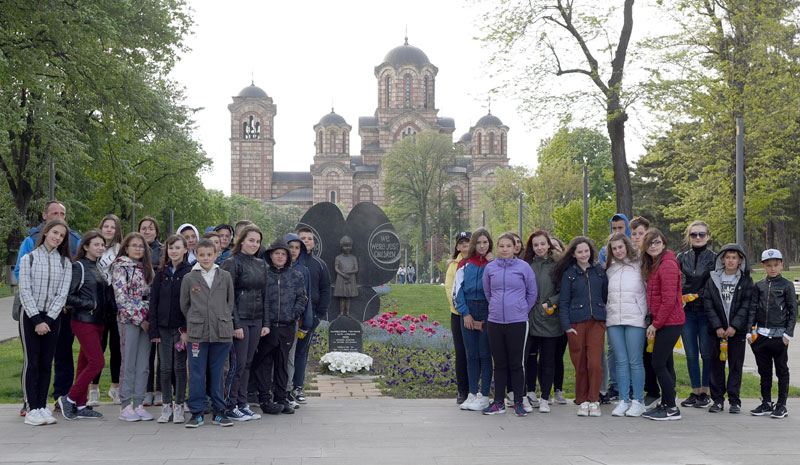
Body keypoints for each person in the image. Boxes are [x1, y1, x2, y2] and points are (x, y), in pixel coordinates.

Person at [14, 202, 81, 417]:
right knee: (32, 362)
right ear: (46, 231)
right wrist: (37, 320)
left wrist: (49, 320)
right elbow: (25, 290)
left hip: (53, 317)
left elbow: (62, 294)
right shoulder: (30, 257)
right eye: (54, 233)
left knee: (46, 362)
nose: (57, 237)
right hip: (31, 315)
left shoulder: (65, 262)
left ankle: (42, 406)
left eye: (62, 235)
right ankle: (30, 406)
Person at [181, 239, 236, 428]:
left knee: (218, 373)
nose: (205, 258)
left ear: (216, 255)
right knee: (196, 373)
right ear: (196, 255)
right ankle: (197, 412)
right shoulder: (189, 278)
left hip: (221, 332)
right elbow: (184, 305)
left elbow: (229, 303)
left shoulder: (225, 276)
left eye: (209, 254)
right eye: (202, 254)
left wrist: (221, 317)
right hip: (198, 332)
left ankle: (219, 411)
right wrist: (196, 319)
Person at [481, 233, 538, 416]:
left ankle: (519, 402)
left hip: (518, 322)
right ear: (497, 248)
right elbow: (488, 292)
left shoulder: (524, 267)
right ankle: (498, 402)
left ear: (515, 248)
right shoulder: (490, 268)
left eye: (508, 246)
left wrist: (521, 309)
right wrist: (495, 307)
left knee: (516, 364)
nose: (504, 249)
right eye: (501, 246)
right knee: (499, 363)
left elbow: (532, 293)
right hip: (495, 322)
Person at [221, 225, 274, 419]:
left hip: (256, 319)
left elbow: (265, 295)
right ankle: (230, 405)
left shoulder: (261, 265)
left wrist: (266, 323)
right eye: (251, 240)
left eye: (258, 241)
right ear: (241, 240)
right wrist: (235, 324)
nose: (255, 244)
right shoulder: (231, 262)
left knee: (248, 363)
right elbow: (228, 297)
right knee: (238, 364)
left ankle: (242, 404)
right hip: (240, 320)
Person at [554, 236, 608, 417]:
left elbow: (605, 295)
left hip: (596, 322)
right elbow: (563, 302)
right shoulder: (569, 274)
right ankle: (582, 400)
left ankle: (594, 400)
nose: (584, 254)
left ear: (591, 252)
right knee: (580, 364)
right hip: (576, 323)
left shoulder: (600, 271)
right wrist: (567, 326)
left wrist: (603, 316)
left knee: (595, 363)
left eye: (586, 251)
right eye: (580, 252)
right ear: (573, 254)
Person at [59, 230, 109, 420]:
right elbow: (68, 296)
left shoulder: (98, 266)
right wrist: (91, 304)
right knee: (97, 362)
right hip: (83, 320)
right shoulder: (78, 266)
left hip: (98, 322)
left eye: (102, 245)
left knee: (85, 362)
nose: (100, 248)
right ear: (86, 246)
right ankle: (69, 399)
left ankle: (80, 405)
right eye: (96, 244)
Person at [253, 239, 307, 414]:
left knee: (283, 362)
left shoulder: (295, 276)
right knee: (265, 362)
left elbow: (302, 298)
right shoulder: (263, 274)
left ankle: (281, 397)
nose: (280, 257)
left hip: (287, 326)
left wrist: (293, 315)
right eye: (277, 253)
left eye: (283, 254)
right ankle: (265, 398)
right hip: (267, 327)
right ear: (270, 255)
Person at [703, 243, 754, 414]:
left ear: (740, 261)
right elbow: (708, 304)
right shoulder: (713, 279)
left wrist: (734, 326)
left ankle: (734, 400)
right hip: (716, 331)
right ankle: (717, 400)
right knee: (716, 365)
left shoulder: (746, 281)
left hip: (736, 332)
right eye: (727, 257)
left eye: (734, 257)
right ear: (722, 260)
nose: (731, 261)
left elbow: (746, 305)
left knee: (735, 365)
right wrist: (718, 326)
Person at [641, 229, 685, 421]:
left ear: (664, 243)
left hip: (670, 322)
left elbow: (668, 300)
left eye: (657, 242)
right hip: (664, 321)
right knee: (665, 363)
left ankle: (672, 409)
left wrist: (655, 324)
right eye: (650, 243)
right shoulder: (655, 263)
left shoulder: (667, 264)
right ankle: (667, 403)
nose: (653, 246)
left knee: (658, 363)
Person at [747, 249, 797, 419]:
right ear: (763, 266)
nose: (773, 268)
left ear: (781, 264)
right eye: (769, 265)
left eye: (776, 265)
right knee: (764, 371)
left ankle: (782, 405)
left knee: (781, 370)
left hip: (779, 336)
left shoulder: (787, 285)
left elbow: (793, 311)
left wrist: (787, 334)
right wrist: (750, 331)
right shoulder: (759, 285)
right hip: (761, 336)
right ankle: (767, 403)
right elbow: (753, 309)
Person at [148, 234, 193, 424]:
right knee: (165, 368)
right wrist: (154, 330)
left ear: (185, 250)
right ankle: (166, 405)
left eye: (177, 248)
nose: (174, 251)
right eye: (171, 248)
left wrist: (186, 329)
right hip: (163, 329)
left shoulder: (190, 273)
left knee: (179, 368)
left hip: (181, 330)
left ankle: (179, 405)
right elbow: (154, 302)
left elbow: (192, 304)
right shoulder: (161, 273)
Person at [604, 233, 648, 417]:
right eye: (614, 248)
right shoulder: (609, 269)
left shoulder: (640, 265)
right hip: (614, 320)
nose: (618, 251)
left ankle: (638, 401)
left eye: (620, 247)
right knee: (620, 361)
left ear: (627, 246)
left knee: (635, 361)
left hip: (635, 320)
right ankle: (623, 400)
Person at [113, 232, 155, 422]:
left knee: (143, 364)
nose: (138, 249)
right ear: (126, 248)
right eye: (134, 245)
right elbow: (121, 298)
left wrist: (149, 319)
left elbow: (149, 295)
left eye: (141, 246)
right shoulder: (120, 267)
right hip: (129, 321)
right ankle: (125, 404)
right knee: (128, 362)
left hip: (146, 322)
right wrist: (139, 320)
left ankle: (139, 402)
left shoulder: (146, 268)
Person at [452, 228, 493, 412]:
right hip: (468, 309)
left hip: (487, 310)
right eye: (478, 242)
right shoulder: (465, 263)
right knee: (471, 354)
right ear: (473, 244)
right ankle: (472, 393)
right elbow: (457, 290)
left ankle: (484, 396)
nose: (482, 246)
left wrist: (492, 263)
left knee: (485, 354)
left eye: (485, 242)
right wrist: (465, 313)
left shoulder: (494, 263)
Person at [290, 228, 331, 404]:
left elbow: (325, 289)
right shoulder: (288, 262)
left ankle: (298, 387)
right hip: (288, 316)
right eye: (303, 238)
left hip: (309, 317)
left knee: (301, 352)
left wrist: (318, 315)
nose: (306, 241)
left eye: (309, 238)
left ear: (313, 243)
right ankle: (282, 388)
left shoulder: (319, 265)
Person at [676, 220, 715, 408]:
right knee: (691, 353)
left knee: (706, 353)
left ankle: (705, 392)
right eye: (694, 234)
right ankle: (695, 390)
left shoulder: (715, 258)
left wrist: (698, 295)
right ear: (689, 237)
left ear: (708, 236)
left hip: (706, 311)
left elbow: (715, 285)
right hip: (687, 312)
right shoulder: (681, 257)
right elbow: (675, 281)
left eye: (701, 234)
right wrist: (681, 296)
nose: (698, 237)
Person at [523, 230, 562, 413]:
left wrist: (550, 303)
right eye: (536, 245)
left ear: (548, 245)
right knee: (528, 359)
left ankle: (545, 397)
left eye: (542, 244)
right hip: (530, 318)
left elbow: (564, 290)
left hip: (550, 318)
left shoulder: (557, 265)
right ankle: (528, 392)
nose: (539, 248)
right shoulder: (526, 265)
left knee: (548, 361)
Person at [91, 214, 123, 406]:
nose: (109, 229)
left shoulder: (121, 249)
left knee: (116, 347)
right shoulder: (94, 246)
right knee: (98, 347)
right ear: (101, 228)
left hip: (116, 302)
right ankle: (93, 389)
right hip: (97, 302)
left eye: (113, 227)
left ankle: (115, 387)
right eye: (106, 226)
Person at [598, 213, 630, 403]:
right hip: (611, 306)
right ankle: (615, 385)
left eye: (621, 228)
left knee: (631, 351)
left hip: (631, 308)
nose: (618, 231)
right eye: (614, 228)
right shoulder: (605, 251)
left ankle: (631, 386)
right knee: (612, 349)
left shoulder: (634, 250)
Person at [629, 216, 660, 408]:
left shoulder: (654, 256)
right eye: (634, 233)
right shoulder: (630, 256)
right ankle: (644, 389)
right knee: (640, 353)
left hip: (654, 312)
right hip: (637, 311)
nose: (637, 237)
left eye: (641, 233)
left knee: (655, 355)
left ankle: (658, 391)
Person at [283, 233, 314, 409]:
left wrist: (306, 322)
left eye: (297, 248)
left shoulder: (303, 271)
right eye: (290, 247)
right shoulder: (274, 267)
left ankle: (288, 390)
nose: (293, 251)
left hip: (294, 321)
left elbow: (306, 298)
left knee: (290, 357)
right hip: (274, 321)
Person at [139, 216, 162, 407]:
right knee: (146, 353)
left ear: (156, 231)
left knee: (161, 351)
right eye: (143, 228)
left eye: (150, 228)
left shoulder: (162, 250)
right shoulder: (135, 249)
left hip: (160, 305)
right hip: (141, 306)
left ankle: (160, 390)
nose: (147, 231)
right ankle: (146, 391)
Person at [445, 231, 471, 405]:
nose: (464, 245)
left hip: (477, 313)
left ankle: (476, 389)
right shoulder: (453, 265)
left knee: (476, 354)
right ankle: (463, 389)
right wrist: (462, 310)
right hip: (458, 314)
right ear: (457, 247)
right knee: (461, 353)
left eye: (467, 241)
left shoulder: (480, 262)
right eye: (461, 243)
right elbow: (450, 289)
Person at [548, 235, 568, 404]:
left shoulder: (565, 268)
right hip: (545, 316)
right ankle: (545, 390)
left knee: (558, 356)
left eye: (556, 246)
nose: (553, 249)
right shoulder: (542, 266)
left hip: (561, 317)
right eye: (551, 246)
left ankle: (558, 389)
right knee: (546, 356)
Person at [333, 236, 358, 317]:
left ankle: (347, 312)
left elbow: (356, 269)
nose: (347, 248)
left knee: (348, 297)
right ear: (341, 246)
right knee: (342, 297)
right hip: (341, 278)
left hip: (351, 278)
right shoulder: (338, 258)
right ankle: (341, 312)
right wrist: (343, 274)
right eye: (345, 246)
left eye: (349, 246)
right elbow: (336, 268)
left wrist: (348, 273)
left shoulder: (353, 258)